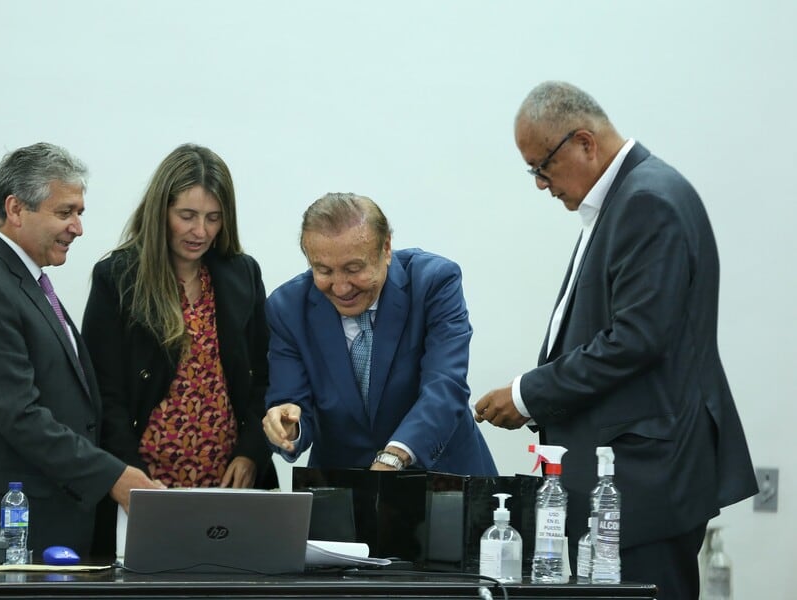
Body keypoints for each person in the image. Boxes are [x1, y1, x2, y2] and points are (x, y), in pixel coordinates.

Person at [474, 81, 757, 598]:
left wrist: (526, 394)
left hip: (643, 479)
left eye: (542, 166)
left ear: (585, 142)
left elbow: (634, 340)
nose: (540, 184)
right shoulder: (632, 196)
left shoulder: (647, 200)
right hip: (630, 480)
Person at [0, 142, 161, 559]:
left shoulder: (20, 280)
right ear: (15, 209)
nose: (77, 228)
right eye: (65, 213)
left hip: (37, 523)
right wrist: (114, 476)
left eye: (79, 213)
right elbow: (19, 416)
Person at [81, 144, 277, 554]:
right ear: (160, 212)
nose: (200, 231)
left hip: (230, 483)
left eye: (213, 218)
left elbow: (265, 377)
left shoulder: (243, 274)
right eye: (187, 216)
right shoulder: (117, 277)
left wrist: (252, 453)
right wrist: (130, 475)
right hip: (146, 485)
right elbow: (105, 395)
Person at [263, 193, 496, 475]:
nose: (340, 288)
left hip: (442, 481)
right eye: (323, 270)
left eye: (353, 269)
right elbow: (291, 400)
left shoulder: (434, 282)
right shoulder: (287, 308)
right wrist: (289, 425)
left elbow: (445, 387)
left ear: (386, 249)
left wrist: (394, 456)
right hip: (345, 493)